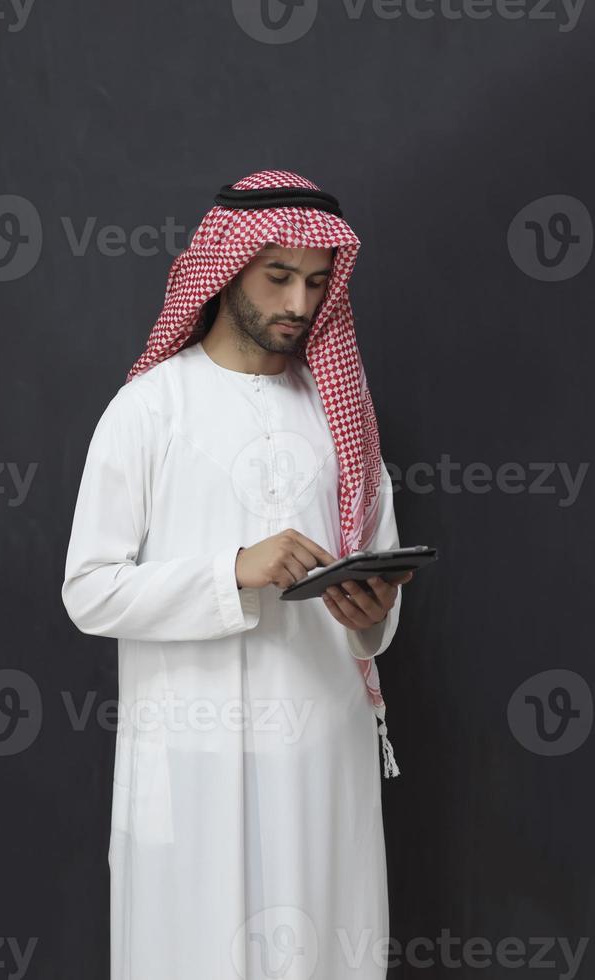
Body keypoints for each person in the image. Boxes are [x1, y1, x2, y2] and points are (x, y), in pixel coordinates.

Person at [61, 169, 413, 979]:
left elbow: (375, 605)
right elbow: (89, 590)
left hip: (322, 746)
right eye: (278, 277)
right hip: (193, 756)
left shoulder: (339, 415)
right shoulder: (150, 408)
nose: (298, 303)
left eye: (317, 283)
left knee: (325, 947)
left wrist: (368, 610)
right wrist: (232, 572)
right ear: (225, 270)